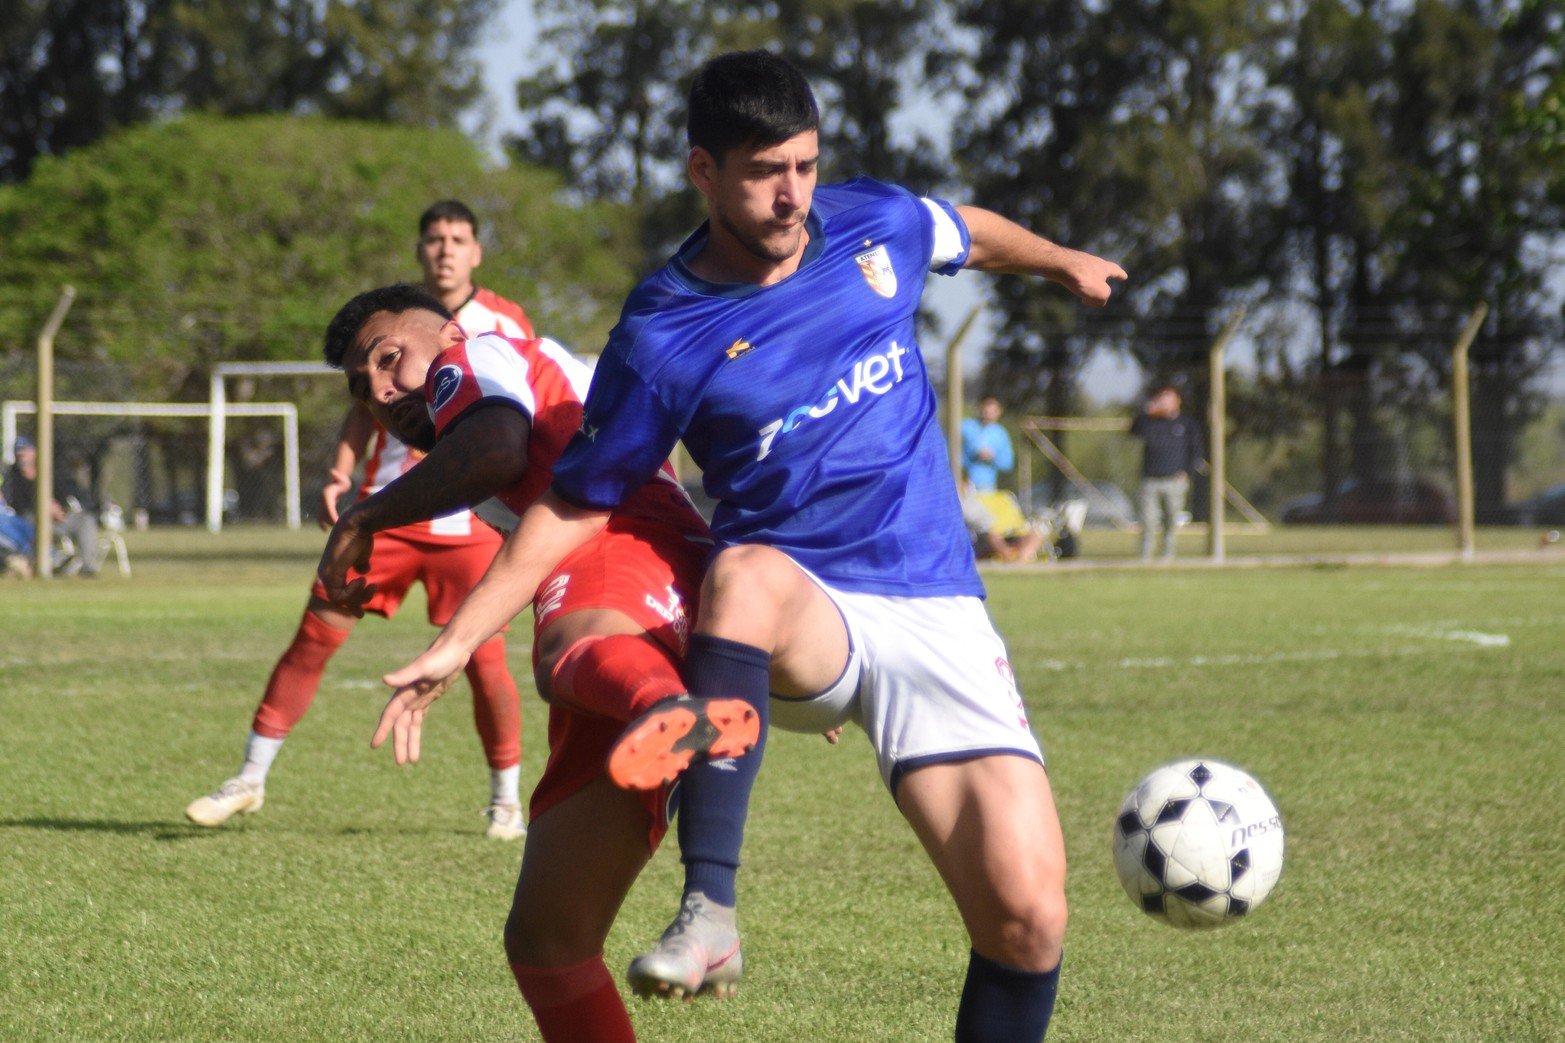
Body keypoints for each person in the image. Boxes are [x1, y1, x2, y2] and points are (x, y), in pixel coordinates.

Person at [374, 50, 1126, 1040]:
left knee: (1027, 919)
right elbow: (575, 503)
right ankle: (710, 909)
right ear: (701, 171)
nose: (791, 195)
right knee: (745, 570)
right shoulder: (661, 328)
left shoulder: (871, 223)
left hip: (936, 603)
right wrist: (455, 638)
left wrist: (1061, 257)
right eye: (765, 171)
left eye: (806, 166)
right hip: (794, 610)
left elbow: (962, 231)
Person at [315, 283, 752, 1042]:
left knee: (561, 651)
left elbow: (494, 451)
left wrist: (365, 514)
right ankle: (667, 711)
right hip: (642, 579)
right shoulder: (521, 366)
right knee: (548, 942)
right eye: (365, 387)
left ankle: (666, 710)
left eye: (389, 358)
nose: (384, 389)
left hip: (616, 550)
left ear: (444, 331)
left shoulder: (465, 360)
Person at [184, 201, 534, 840]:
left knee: (484, 661)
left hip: (470, 521)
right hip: (391, 512)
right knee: (315, 636)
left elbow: (509, 421)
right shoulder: (385, 327)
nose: (445, 250)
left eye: (458, 239)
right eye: (433, 239)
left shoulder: (498, 325)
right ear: (421, 250)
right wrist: (341, 474)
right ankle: (249, 778)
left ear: (476, 251)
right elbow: (363, 406)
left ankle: (505, 801)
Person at [3, 436, 102, 576]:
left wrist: (59, 509)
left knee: (86, 520)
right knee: (28, 519)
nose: (22, 457)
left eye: (25, 452)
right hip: (33, 520)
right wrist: (43, 507)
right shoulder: (12, 478)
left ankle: (87, 567)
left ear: (34, 452)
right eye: (19, 454)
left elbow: (66, 494)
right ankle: (51, 561)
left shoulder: (50, 472)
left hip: (58, 518)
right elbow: (16, 506)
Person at [1129, 384, 1203, 562]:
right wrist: (1147, 412)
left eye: (1168, 398)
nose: (1164, 402)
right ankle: (1145, 557)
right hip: (1150, 479)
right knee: (1147, 520)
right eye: (1161, 398)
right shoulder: (1150, 422)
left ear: (1177, 401)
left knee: (1171, 519)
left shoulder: (1186, 424)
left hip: (1174, 480)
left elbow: (1196, 451)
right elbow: (1134, 431)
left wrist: (1187, 472)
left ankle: (1167, 556)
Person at [961, 396, 1015, 493]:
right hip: (962, 484)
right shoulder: (965, 427)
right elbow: (950, 450)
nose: (988, 414)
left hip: (986, 487)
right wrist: (971, 456)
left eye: (992, 411)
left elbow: (1008, 463)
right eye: (986, 411)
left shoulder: (1001, 434)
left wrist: (992, 457)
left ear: (999, 412)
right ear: (980, 408)